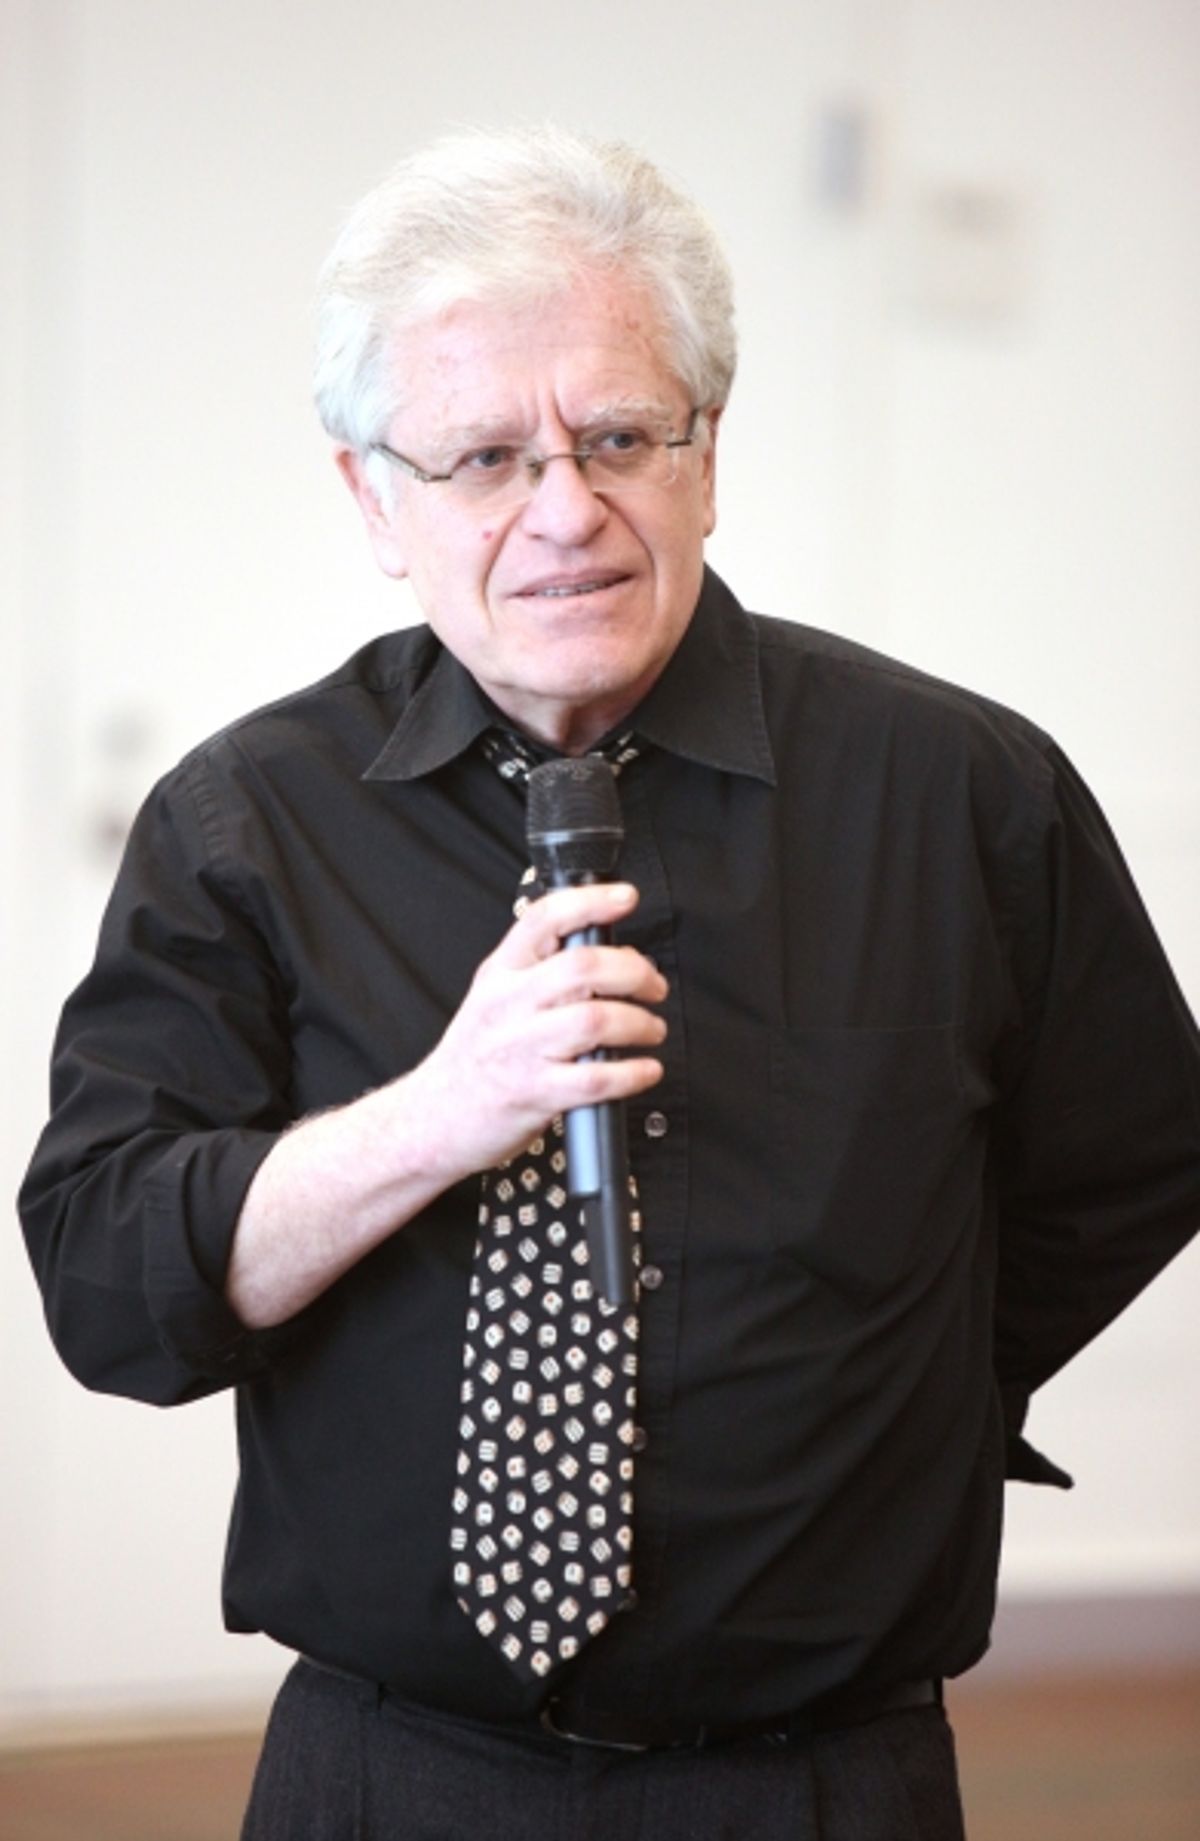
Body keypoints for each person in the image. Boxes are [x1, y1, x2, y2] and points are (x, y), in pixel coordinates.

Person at [19, 125, 1200, 1841]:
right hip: (387, 1769)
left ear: (708, 455)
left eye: (622, 437)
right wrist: (438, 1116)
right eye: (487, 454)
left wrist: (906, 1376)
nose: (566, 508)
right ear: (375, 499)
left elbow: (1134, 1155)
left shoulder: (960, 793)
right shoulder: (241, 822)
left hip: (823, 1779)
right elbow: (112, 1280)